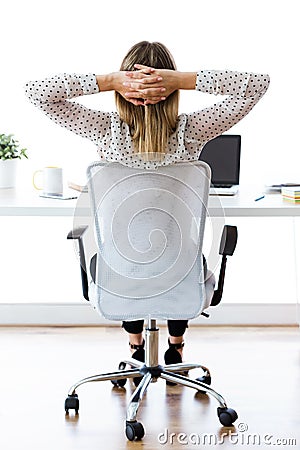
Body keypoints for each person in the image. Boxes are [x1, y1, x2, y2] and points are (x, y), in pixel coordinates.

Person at [25, 41, 270, 378]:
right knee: (180, 255)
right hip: (180, 270)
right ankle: (176, 344)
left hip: (123, 272)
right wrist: (183, 80)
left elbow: (38, 92)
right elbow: (256, 85)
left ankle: (136, 346)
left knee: (124, 255)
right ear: (172, 91)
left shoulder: (104, 129)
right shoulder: (193, 130)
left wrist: (109, 80)